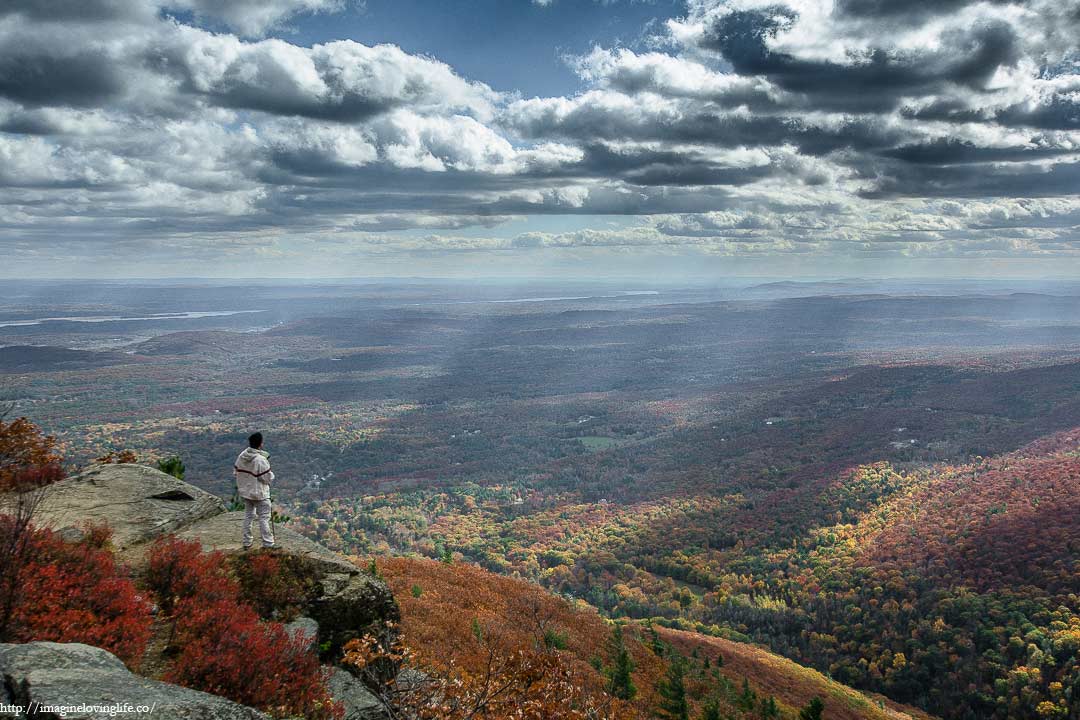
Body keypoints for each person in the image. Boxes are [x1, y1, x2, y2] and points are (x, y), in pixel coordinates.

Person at [234, 432, 275, 549]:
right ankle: (268, 543)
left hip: (246, 492)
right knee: (264, 518)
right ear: (261, 444)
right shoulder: (260, 460)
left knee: (248, 516)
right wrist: (272, 476)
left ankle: (247, 542)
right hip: (260, 493)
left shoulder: (242, 455)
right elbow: (266, 478)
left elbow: (236, 472)